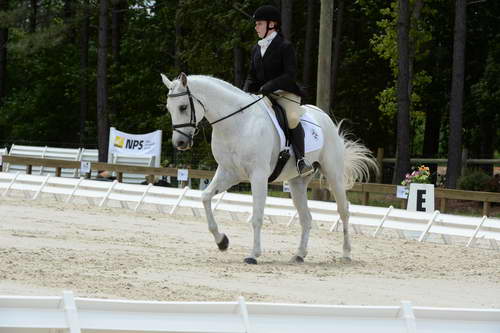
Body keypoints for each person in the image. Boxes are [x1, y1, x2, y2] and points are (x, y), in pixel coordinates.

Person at [243, 4, 313, 176]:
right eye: (256, 24)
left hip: (285, 93)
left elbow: (289, 75)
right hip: (263, 95)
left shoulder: (284, 46)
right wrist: (244, 93)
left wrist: (268, 86)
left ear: (272, 25)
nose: (256, 27)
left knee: (292, 118)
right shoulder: (256, 48)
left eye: (259, 23)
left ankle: (300, 160)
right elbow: (251, 75)